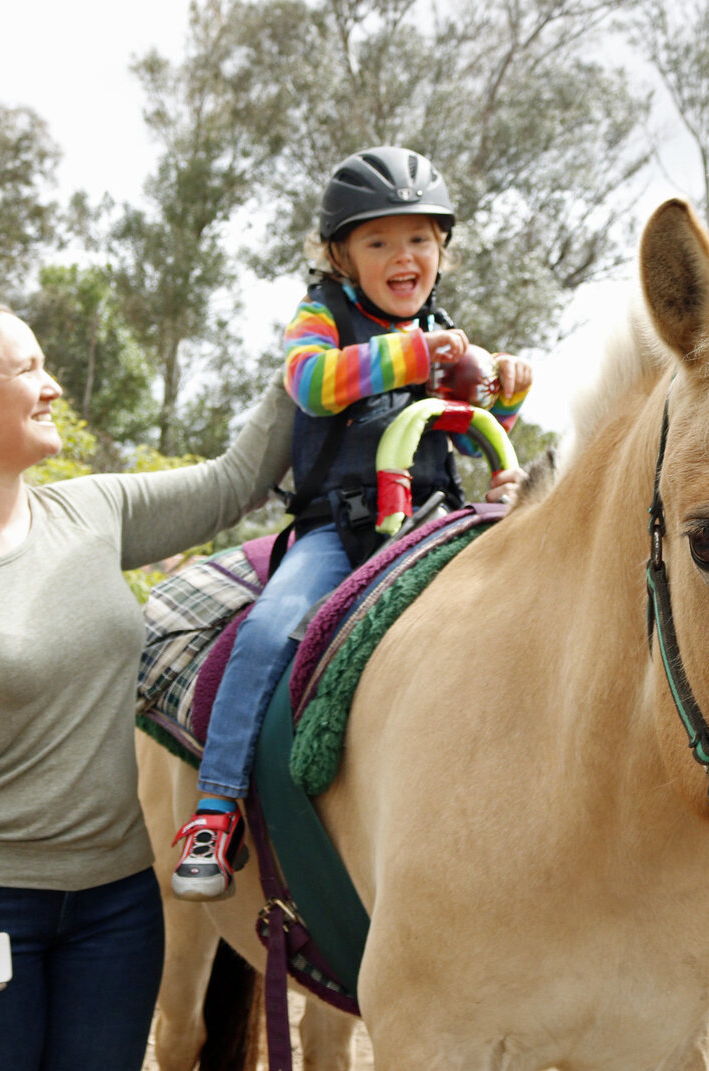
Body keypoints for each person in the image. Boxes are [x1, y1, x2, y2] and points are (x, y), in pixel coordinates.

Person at [0, 297, 295, 1071]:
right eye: (29, 368)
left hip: (117, 910)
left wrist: (318, 342)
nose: (52, 388)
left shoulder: (92, 511)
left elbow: (237, 480)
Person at [171, 145, 533, 901]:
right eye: (378, 241)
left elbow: (472, 425)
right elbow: (310, 383)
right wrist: (411, 356)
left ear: (442, 251)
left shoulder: (447, 334)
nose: (403, 257)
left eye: (420, 240)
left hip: (437, 521)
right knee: (270, 628)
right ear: (341, 254)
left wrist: (504, 395)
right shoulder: (322, 315)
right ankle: (214, 809)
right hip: (342, 529)